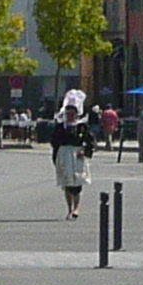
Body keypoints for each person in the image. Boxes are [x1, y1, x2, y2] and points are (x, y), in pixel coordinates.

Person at [46, 89, 95, 218]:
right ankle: (69, 208)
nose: (70, 116)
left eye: (73, 113)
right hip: (64, 154)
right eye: (68, 113)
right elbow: (54, 141)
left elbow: (90, 141)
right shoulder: (61, 127)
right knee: (66, 182)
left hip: (77, 154)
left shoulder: (82, 127)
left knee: (78, 182)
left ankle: (76, 208)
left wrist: (84, 150)